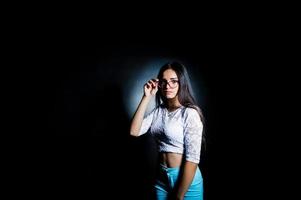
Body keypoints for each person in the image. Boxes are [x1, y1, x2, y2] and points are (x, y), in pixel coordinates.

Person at [130, 61, 205, 200]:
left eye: (173, 81)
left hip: (186, 181)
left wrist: (178, 196)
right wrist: (146, 97)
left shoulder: (189, 113)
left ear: (181, 83)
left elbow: (193, 159)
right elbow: (134, 131)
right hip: (161, 180)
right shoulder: (159, 111)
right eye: (164, 82)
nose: (168, 86)